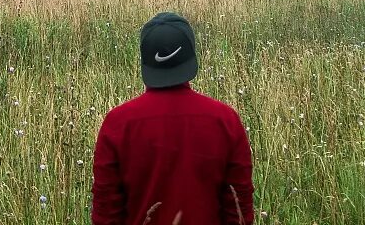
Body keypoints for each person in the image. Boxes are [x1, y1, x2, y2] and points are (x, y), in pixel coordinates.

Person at [91, 12, 254, 225]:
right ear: (191, 56)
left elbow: (106, 216)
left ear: (145, 61)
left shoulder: (117, 124)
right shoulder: (225, 120)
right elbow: (239, 211)